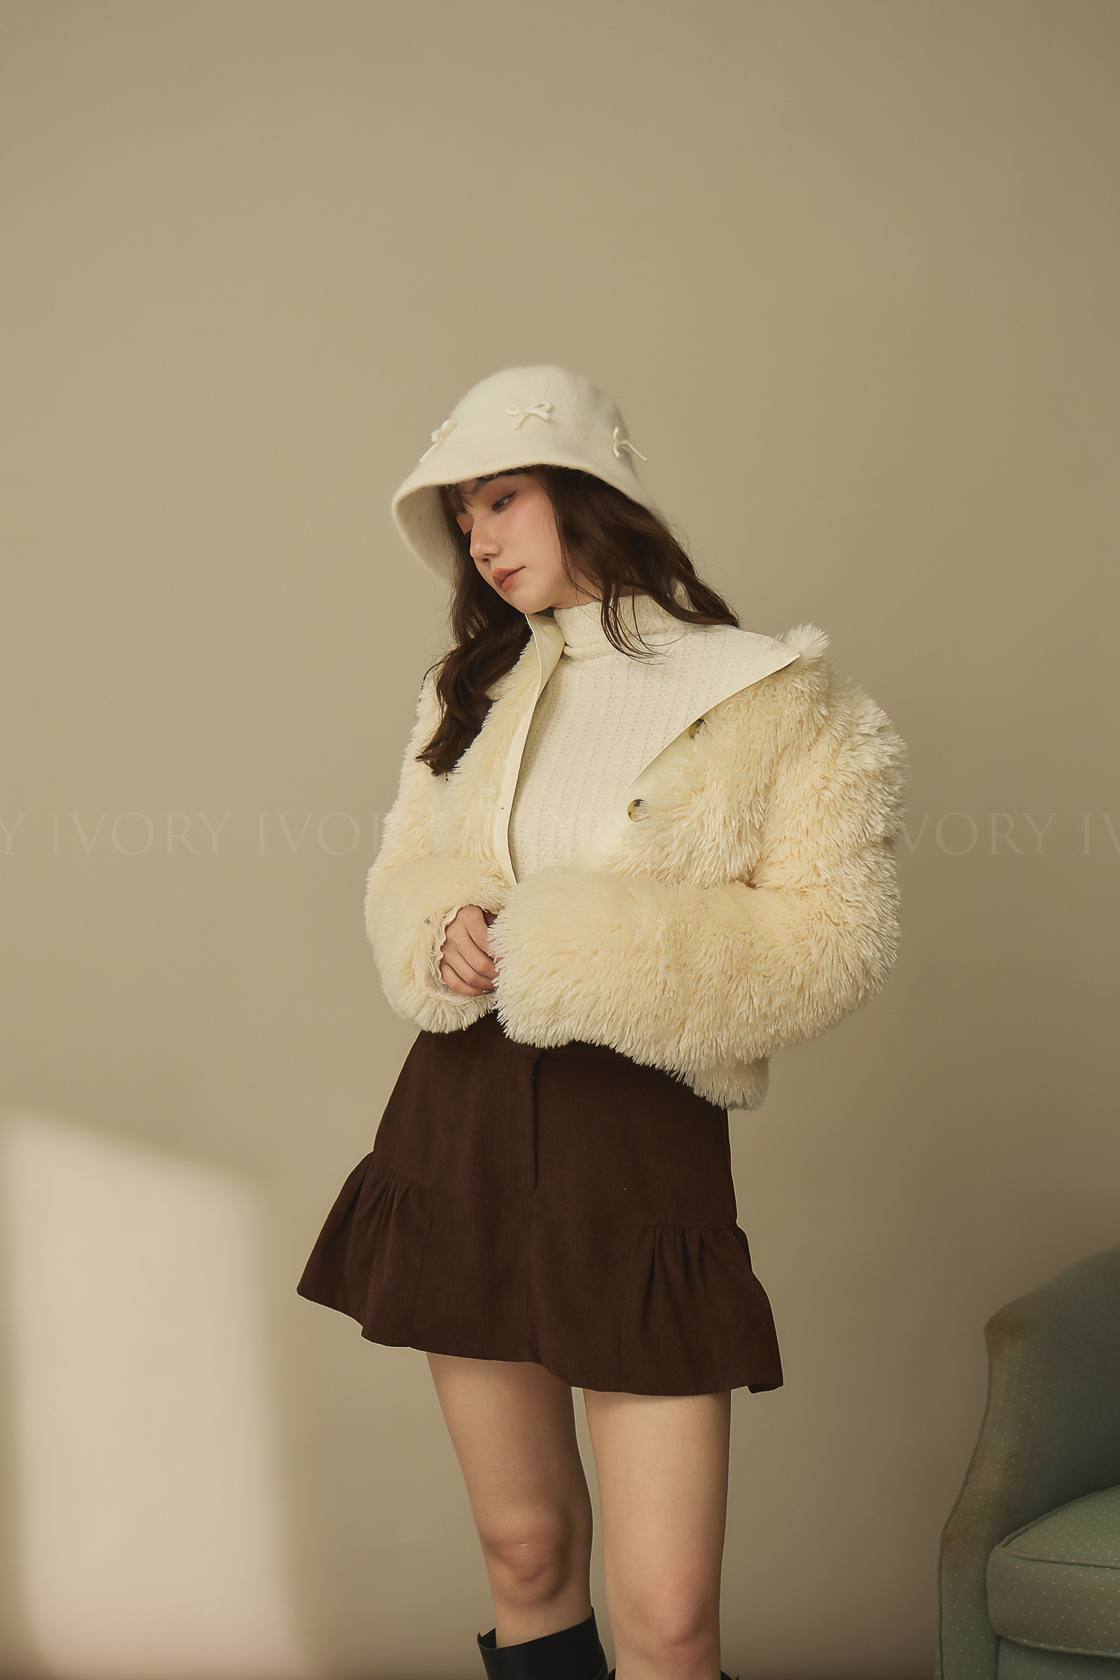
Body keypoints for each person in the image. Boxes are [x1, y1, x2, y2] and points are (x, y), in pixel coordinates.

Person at [298, 364, 908, 1680]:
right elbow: (405, 869)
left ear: (590, 493)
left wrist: (576, 947)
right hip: (458, 1124)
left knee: (669, 1619)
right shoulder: (467, 687)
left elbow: (833, 943)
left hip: (636, 1143)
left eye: (503, 499)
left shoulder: (775, 698)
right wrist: (444, 928)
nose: (480, 539)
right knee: (523, 1552)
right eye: (463, 515)